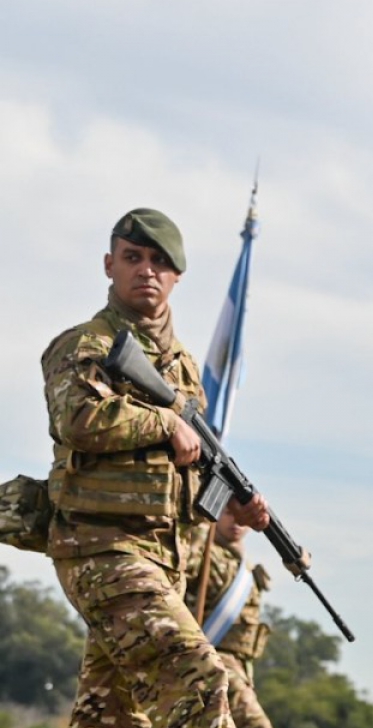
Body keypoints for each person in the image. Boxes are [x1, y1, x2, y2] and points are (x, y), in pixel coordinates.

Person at [41, 209, 271, 728]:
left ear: (177, 277)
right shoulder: (84, 345)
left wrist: (233, 503)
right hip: (101, 549)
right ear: (109, 265)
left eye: (160, 262)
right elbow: (77, 418)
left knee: (113, 716)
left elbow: (181, 470)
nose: (147, 270)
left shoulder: (185, 368)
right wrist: (163, 422)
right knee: (201, 680)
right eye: (133, 258)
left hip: (160, 559)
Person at [180, 508, 273, 728]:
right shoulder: (203, 551)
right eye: (229, 512)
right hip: (213, 660)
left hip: (241, 667)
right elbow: (183, 567)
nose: (236, 521)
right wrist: (202, 526)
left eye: (243, 515)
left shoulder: (245, 566)